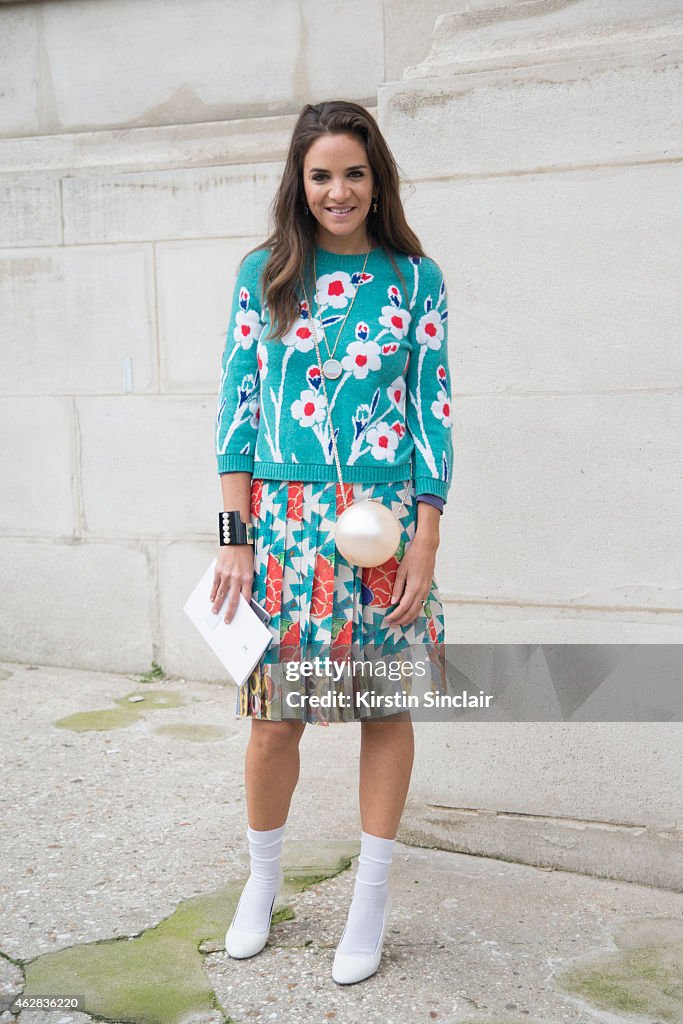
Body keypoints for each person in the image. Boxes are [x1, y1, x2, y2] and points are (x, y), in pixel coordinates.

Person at [210, 100, 454, 985]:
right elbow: (237, 410)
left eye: (354, 173)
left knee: (384, 708)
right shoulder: (264, 272)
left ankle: (371, 896)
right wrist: (235, 536)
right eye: (321, 175)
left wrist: (425, 538)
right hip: (279, 528)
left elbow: (431, 410)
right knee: (276, 721)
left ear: (376, 179)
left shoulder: (415, 278)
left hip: (384, 529)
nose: (338, 191)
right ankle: (262, 882)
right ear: (299, 182)